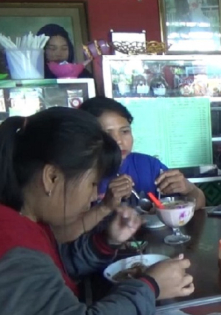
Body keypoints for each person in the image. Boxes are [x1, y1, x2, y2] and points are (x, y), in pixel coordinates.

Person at [0, 108, 195, 315]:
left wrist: (106, 242)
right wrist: (151, 287)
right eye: (93, 183)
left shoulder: (4, 217)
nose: (94, 196)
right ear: (51, 178)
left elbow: (47, 273)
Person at [51, 97, 206, 242]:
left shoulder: (148, 165)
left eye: (125, 131)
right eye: (107, 134)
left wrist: (188, 187)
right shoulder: (76, 176)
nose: (119, 140)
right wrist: (105, 205)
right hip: (101, 256)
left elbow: (198, 202)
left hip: (152, 247)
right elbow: (62, 235)